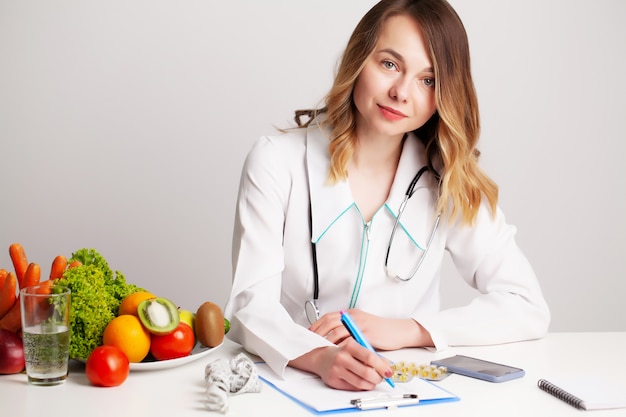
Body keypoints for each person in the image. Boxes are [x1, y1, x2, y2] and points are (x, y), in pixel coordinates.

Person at [224, 0, 550, 391]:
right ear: (358, 60)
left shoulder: (447, 179)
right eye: (390, 64)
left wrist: (404, 331)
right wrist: (320, 358)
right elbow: (248, 308)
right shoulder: (276, 162)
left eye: (427, 80)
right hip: (297, 383)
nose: (401, 93)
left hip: (405, 390)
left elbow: (527, 306)